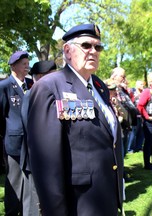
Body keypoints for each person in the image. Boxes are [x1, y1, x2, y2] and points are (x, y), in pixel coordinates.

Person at [27, 23, 123, 215]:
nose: (93, 51)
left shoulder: (99, 86)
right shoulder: (49, 87)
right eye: (86, 46)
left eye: (98, 47)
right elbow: (46, 161)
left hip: (106, 195)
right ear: (68, 50)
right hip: (78, 202)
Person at [21, 60, 56, 216]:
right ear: (41, 77)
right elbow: (33, 130)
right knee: (35, 205)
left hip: (48, 160)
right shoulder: (32, 95)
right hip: (38, 159)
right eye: (52, 75)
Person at [0, 51, 33, 215]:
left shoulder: (31, 84)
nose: (27, 67)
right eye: (24, 64)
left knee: (29, 184)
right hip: (14, 144)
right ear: (13, 66)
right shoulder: (5, 86)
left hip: (31, 144)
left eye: (28, 63)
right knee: (14, 181)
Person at [110, 67, 138, 156]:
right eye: (122, 76)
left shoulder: (122, 90)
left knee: (123, 150)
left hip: (126, 122)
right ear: (114, 76)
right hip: (118, 123)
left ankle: (122, 168)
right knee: (118, 150)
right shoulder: (109, 88)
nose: (124, 78)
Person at [127, 80, 145, 153]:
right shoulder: (132, 93)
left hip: (142, 115)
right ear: (137, 85)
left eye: (143, 84)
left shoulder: (144, 93)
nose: (142, 86)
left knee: (141, 132)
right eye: (141, 84)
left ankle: (139, 147)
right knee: (133, 133)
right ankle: (130, 148)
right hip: (134, 115)